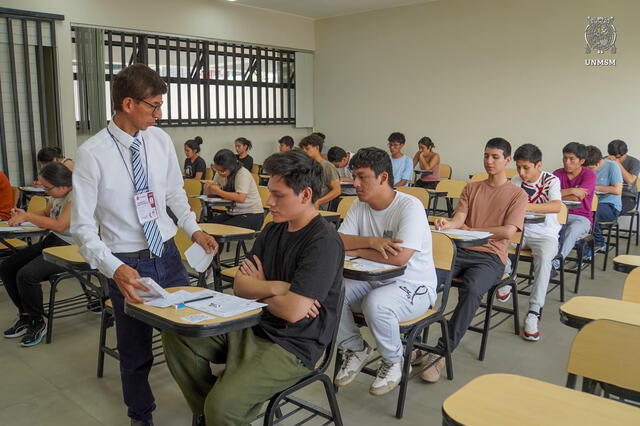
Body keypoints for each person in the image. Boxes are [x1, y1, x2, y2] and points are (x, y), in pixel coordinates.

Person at [71, 63, 218, 426]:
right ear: (127, 104)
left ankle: (204, 410)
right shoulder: (93, 154)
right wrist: (114, 268)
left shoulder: (160, 139)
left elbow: (174, 193)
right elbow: (82, 227)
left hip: (166, 253)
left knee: (189, 338)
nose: (159, 113)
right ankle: (141, 416)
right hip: (125, 261)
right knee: (135, 350)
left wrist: (193, 229)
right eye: (153, 105)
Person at [162, 150, 344, 425]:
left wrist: (260, 288)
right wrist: (278, 288)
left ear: (306, 195)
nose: (269, 202)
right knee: (177, 334)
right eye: (269, 192)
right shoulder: (273, 230)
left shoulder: (323, 242)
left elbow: (294, 312)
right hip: (252, 323)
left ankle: (219, 411)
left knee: (223, 406)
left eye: (278, 195)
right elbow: (240, 286)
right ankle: (209, 411)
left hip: (292, 344)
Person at [421, 138, 527, 382]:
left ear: (507, 161)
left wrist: (471, 230)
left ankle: (440, 352)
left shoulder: (517, 195)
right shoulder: (472, 187)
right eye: (486, 156)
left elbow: (508, 232)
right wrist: (449, 224)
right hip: (461, 250)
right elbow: (460, 218)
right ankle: (416, 342)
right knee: (427, 279)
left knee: (471, 289)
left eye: (495, 157)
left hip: (490, 256)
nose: (489, 161)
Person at [333, 147, 437, 396]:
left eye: (362, 177)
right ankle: (355, 348)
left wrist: (355, 248)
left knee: (376, 303)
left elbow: (399, 258)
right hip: (374, 280)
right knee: (329, 290)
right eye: (353, 176)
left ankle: (393, 359)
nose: (355, 183)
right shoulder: (360, 206)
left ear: (382, 178)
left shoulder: (409, 207)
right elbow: (338, 242)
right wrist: (370, 243)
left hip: (413, 285)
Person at [1, 163, 75, 347]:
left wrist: (28, 218)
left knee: (27, 275)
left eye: (47, 187)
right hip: (54, 240)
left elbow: (60, 225)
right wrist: (23, 214)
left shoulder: (77, 196)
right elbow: (44, 213)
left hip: (73, 248)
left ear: (63, 186)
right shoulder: (56, 195)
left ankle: (37, 322)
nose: (44, 191)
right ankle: (25, 315)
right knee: (7, 267)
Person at [501, 144, 561, 341]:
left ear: (539, 165)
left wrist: (526, 206)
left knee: (544, 260)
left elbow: (556, 206)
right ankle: (508, 275)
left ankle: (533, 312)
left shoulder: (551, 180)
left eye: (526, 167)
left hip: (545, 234)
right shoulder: (516, 181)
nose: (521, 172)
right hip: (520, 230)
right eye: (518, 167)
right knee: (495, 243)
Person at [552, 143, 596, 268]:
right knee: (544, 226)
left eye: (572, 159)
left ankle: (555, 264)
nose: (567, 162)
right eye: (565, 158)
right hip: (558, 215)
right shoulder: (557, 174)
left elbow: (578, 197)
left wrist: (559, 194)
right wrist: (572, 190)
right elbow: (548, 195)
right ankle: (544, 258)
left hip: (582, 218)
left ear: (581, 161)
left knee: (572, 230)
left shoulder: (589, 175)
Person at [203, 149, 265, 230]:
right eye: (217, 170)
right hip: (233, 213)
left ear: (231, 167)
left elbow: (240, 198)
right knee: (207, 228)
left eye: (222, 171)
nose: (219, 173)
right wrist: (208, 189)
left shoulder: (242, 173)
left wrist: (218, 191)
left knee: (219, 230)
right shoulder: (220, 172)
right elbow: (214, 192)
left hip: (252, 215)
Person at [585, 145, 622, 252]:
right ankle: (581, 246)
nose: (588, 171)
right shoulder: (586, 167)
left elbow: (617, 190)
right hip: (591, 202)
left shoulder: (612, 166)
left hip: (610, 205)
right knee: (576, 213)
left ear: (598, 163)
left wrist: (593, 187)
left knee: (590, 213)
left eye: (590, 168)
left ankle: (599, 241)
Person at [299, 134, 341, 210]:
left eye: (307, 148)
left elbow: (337, 190)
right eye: (303, 149)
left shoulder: (327, 166)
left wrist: (318, 201)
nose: (304, 151)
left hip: (320, 207)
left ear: (317, 148)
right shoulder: (304, 166)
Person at [607, 139, 639, 214]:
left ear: (625, 153)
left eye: (620, 157)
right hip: (607, 194)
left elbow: (630, 180)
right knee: (596, 209)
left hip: (627, 196)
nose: (617, 159)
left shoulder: (634, 162)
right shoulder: (604, 161)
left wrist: (618, 164)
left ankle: (609, 224)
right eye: (615, 157)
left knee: (612, 211)